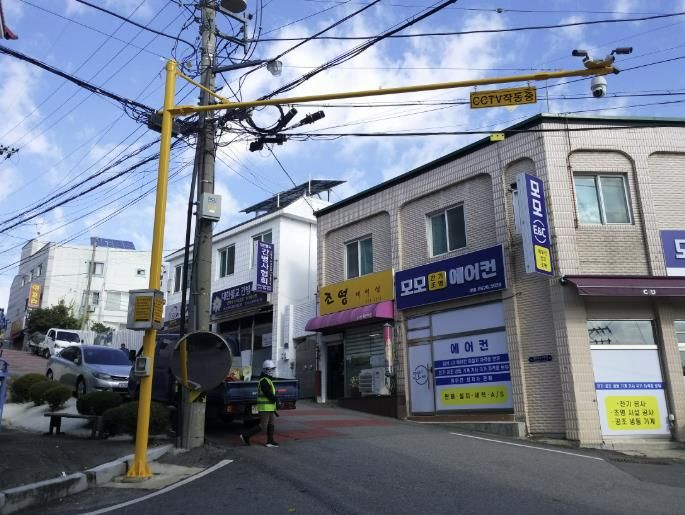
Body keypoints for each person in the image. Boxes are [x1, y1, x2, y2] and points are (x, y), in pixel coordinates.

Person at [240, 359, 279, 447]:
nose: (272, 371)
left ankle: (270, 441)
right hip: (264, 407)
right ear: (265, 370)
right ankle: (245, 436)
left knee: (271, 424)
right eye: (270, 369)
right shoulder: (264, 381)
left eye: (273, 369)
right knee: (263, 425)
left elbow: (270, 393)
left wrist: (275, 398)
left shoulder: (268, 380)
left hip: (270, 407)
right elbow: (267, 393)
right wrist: (275, 399)